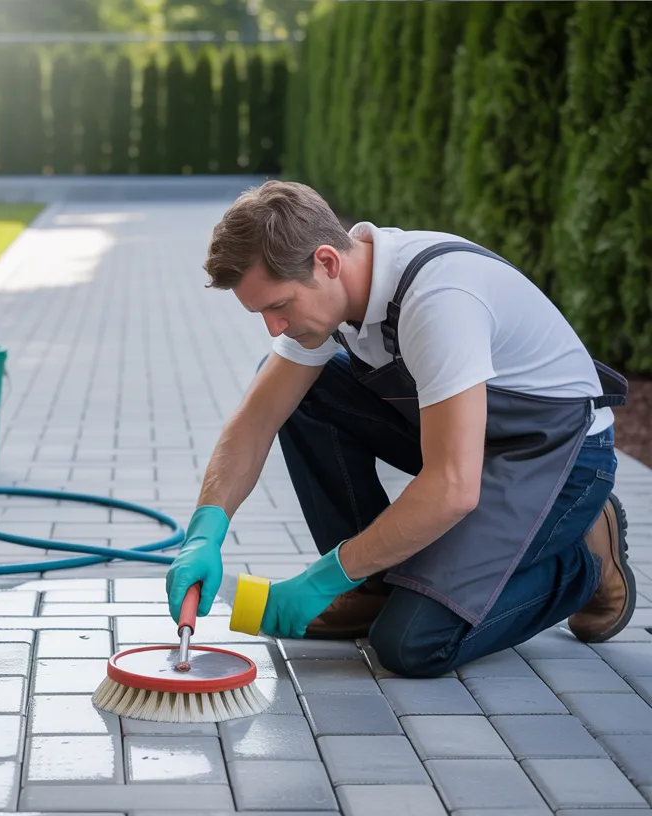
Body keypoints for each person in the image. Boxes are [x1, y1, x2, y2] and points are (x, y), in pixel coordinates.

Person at [166, 181, 635, 678]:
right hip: (466, 442)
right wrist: (204, 532)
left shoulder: (438, 300)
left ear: (326, 262)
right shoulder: (336, 296)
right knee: (300, 387)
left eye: (278, 306)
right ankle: (374, 586)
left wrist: (324, 577)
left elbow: (453, 488)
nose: (275, 326)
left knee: (410, 644)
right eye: (261, 312)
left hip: (553, 456)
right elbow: (255, 422)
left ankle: (583, 563)